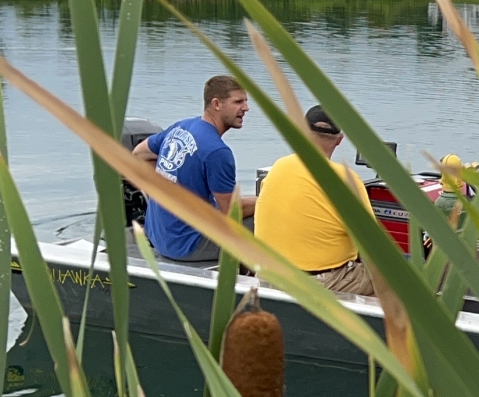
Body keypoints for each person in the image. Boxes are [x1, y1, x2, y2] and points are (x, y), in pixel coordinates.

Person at [252, 105, 377, 295]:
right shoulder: (346, 179)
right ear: (339, 140)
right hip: (321, 283)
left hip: (267, 276)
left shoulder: (278, 167)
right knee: (393, 282)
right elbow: (372, 245)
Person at [133, 74, 256, 263]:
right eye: (238, 102)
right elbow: (231, 211)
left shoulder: (180, 127)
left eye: (246, 102)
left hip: (158, 237)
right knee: (265, 218)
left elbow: (139, 154)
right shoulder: (217, 151)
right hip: (188, 246)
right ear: (216, 104)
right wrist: (267, 200)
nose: (246, 108)